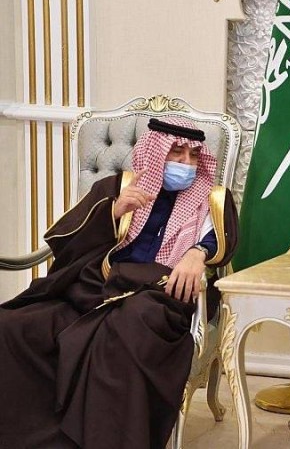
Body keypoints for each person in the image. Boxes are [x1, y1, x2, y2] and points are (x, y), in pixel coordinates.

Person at [0, 116, 239, 448]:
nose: (186, 163)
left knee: (128, 325)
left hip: (159, 295)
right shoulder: (117, 188)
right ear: (156, 152)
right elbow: (67, 244)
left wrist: (197, 253)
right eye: (177, 153)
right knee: (12, 325)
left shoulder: (210, 199)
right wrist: (112, 212)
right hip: (94, 289)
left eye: (193, 155)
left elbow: (221, 241)